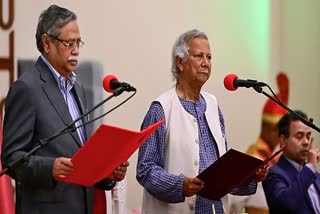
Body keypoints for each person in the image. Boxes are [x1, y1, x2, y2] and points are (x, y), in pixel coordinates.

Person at [1, 5, 129, 214]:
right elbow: (11, 159)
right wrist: (49, 168)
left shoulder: (77, 88)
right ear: (46, 42)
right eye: (69, 43)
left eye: (78, 43)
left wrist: (105, 173)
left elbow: (78, 157)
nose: (76, 50)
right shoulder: (26, 88)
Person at [136, 29, 268, 214]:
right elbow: (145, 169)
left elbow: (223, 176)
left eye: (209, 57)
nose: (206, 63)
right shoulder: (161, 108)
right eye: (199, 56)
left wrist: (250, 177)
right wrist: (180, 185)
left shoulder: (213, 105)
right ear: (180, 62)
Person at [228, 72, 289, 214]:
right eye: (278, 131)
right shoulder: (256, 158)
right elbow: (244, 204)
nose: (281, 136)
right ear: (267, 129)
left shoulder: (272, 157)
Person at [262, 110, 320, 213]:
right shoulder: (274, 174)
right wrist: (310, 166)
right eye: (299, 136)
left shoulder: (315, 175)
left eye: (308, 136)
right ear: (283, 140)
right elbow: (286, 205)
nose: (306, 142)